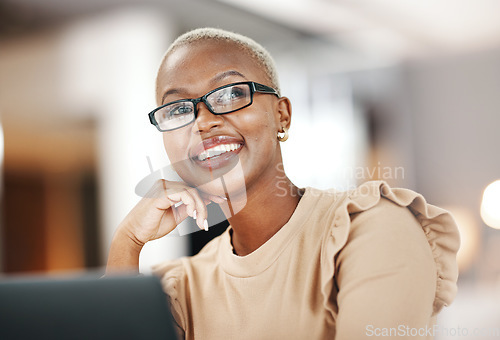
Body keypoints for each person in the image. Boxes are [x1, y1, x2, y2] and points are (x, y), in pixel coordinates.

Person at [106, 28, 460, 339]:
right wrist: (128, 241)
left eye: (229, 94)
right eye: (179, 109)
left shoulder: (369, 228)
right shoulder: (180, 290)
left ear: (282, 115)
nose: (202, 122)